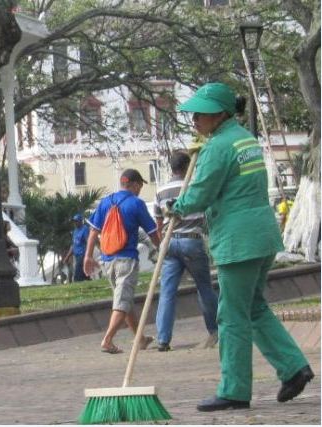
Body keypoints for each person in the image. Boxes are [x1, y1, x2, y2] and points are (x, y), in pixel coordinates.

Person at [170, 82, 313, 412]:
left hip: (239, 240)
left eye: (200, 114)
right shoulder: (244, 140)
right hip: (261, 236)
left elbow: (201, 193)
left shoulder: (218, 147)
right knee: (254, 308)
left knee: (231, 316)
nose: (194, 120)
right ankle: (294, 368)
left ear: (219, 114)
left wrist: (176, 208)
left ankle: (234, 390)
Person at [83, 169, 161, 354]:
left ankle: (140, 339)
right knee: (122, 302)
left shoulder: (106, 202)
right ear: (134, 184)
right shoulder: (136, 204)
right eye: (140, 186)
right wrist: (162, 249)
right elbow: (152, 233)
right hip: (126, 259)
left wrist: (87, 256)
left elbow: (94, 231)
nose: (140, 190)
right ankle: (108, 339)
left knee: (124, 300)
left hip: (107, 260)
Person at [154, 151, 218, 352]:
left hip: (170, 242)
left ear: (172, 168)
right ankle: (215, 330)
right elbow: (207, 214)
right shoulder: (193, 188)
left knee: (167, 291)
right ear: (188, 166)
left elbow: (158, 222)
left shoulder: (161, 191)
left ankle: (163, 338)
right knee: (204, 287)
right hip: (191, 240)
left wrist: (160, 244)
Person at [62, 214, 90, 282]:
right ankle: (88, 282)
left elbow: (88, 242)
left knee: (77, 276)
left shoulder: (85, 229)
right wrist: (67, 257)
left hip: (83, 254)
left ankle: (78, 282)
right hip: (77, 256)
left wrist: (88, 255)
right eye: (74, 221)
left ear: (81, 221)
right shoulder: (75, 231)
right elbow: (73, 245)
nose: (75, 223)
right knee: (84, 275)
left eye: (76, 221)